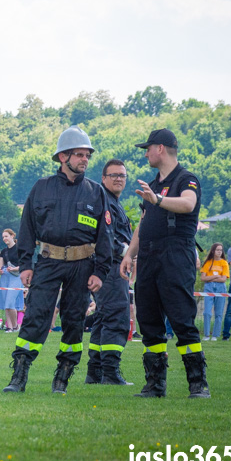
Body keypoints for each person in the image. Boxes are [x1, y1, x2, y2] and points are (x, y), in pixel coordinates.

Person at [2, 126, 111, 395]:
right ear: (63, 157)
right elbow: (26, 229)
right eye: (79, 155)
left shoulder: (96, 192)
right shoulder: (41, 188)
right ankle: (19, 375)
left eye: (87, 155)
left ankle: (63, 377)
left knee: (74, 321)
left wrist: (100, 271)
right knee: (36, 316)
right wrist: (26, 265)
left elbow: (105, 236)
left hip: (83, 265)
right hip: (48, 262)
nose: (85, 160)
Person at [121, 128, 209, 398]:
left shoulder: (186, 178)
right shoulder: (153, 184)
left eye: (148, 148)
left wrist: (158, 199)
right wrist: (129, 254)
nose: (145, 153)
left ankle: (198, 383)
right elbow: (144, 222)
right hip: (148, 256)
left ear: (160, 148)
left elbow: (188, 204)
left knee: (182, 318)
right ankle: (155, 384)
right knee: (148, 320)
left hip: (175, 254)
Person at [86, 159, 134, 385]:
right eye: (113, 175)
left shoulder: (112, 201)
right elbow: (104, 235)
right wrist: (127, 251)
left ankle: (95, 372)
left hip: (109, 266)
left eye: (122, 175)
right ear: (103, 178)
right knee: (117, 317)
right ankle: (111, 373)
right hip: (111, 266)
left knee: (103, 318)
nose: (118, 179)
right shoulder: (104, 201)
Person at [200, 243, 229, 341]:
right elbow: (203, 278)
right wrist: (216, 276)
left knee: (219, 313)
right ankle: (207, 334)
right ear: (213, 251)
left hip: (221, 288)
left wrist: (210, 278)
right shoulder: (208, 262)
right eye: (217, 250)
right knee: (207, 312)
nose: (219, 252)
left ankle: (215, 335)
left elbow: (223, 279)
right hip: (208, 288)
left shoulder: (224, 263)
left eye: (221, 250)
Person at [0, 229, 23, 332]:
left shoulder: (19, 249)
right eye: (3, 237)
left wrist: (14, 268)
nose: (4, 239)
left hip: (16, 276)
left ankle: (16, 326)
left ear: (12, 236)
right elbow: (0, 266)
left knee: (10, 302)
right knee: (5, 304)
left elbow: (24, 264)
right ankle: (10, 327)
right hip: (5, 277)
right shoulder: (4, 251)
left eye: (6, 236)